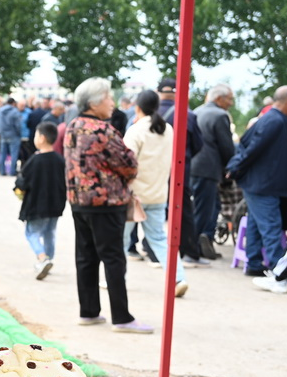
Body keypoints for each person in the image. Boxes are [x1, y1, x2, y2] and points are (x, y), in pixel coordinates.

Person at [64, 77, 150, 333]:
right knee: (113, 259)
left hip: (79, 201)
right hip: (105, 203)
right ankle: (122, 317)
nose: (113, 103)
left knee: (86, 257)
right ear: (95, 102)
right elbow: (129, 164)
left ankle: (89, 311)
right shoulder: (103, 130)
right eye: (109, 98)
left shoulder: (73, 126)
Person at [123, 90, 189, 297]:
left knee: (121, 240)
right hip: (159, 193)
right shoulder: (168, 129)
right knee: (159, 239)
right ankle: (178, 278)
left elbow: (126, 163)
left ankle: (113, 278)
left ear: (137, 107)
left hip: (134, 196)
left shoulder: (135, 131)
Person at [225, 85, 287, 282]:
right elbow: (251, 148)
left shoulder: (275, 119)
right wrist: (235, 168)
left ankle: (253, 264)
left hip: (263, 183)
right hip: (262, 184)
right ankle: (279, 273)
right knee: (270, 226)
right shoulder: (273, 120)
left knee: (256, 223)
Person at [155, 78, 207, 267]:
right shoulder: (187, 114)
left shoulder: (149, 114)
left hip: (154, 171)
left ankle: (151, 250)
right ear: (177, 93)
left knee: (152, 208)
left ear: (158, 91)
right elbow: (198, 145)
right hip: (179, 170)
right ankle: (189, 252)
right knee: (183, 210)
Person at [15, 122, 66, 280]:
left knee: (32, 233)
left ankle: (42, 258)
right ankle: (48, 259)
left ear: (42, 138)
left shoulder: (34, 161)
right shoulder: (60, 160)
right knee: (50, 233)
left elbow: (23, 181)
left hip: (37, 205)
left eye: (36, 135)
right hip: (55, 205)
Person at [191, 84, 236, 260]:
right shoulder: (220, 115)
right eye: (229, 99)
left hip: (193, 166)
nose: (231, 103)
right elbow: (226, 147)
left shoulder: (197, 111)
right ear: (219, 98)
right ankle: (194, 246)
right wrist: (231, 168)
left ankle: (205, 239)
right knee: (205, 208)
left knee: (207, 205)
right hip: (208, 168)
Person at [0, 97, 22, 176]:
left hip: (3, 135)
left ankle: (2, 171)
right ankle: (12, 171)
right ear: (13, 103)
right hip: (13, 135)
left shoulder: (0, 111)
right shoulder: (15, 111)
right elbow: (18, 125)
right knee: (14, 154)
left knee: (2, 154)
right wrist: (19, 134)